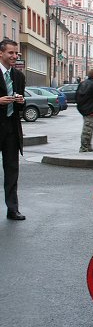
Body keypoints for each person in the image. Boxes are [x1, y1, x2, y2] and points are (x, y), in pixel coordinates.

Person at [0, 39, 26, 220]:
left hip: (11, 129)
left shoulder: (18, 76)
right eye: (10, 53)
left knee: (12, 171)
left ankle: (12, 209)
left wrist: (21, 102)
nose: (14, 57)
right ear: (1, 53)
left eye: (16, 53)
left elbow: (20, 110)